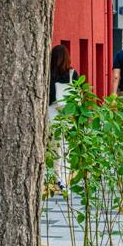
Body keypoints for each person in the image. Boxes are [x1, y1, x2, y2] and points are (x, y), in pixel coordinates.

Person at [48, 44, 80, 191]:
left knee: (54, 146)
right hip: (68, 112)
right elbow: (79, 95)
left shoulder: (47, 75)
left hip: (51, 112)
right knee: (65, 146)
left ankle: (55, 178)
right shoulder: (73, 74)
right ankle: (63, 179)